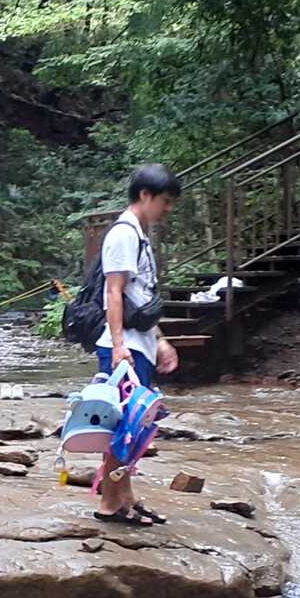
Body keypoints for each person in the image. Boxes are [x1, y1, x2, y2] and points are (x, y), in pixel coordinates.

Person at [94, 163, 181, 526]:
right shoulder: (123, 234)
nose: (168, 208)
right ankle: (109, 504)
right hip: (124, 348)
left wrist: (160, 341)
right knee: (123, 427)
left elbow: (141, 297)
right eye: (165, 201)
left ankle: (125, 496)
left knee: (134, 426)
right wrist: (118, 346)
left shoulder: (139, 234)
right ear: (145, 195)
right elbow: (113, 292)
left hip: (138, 344)